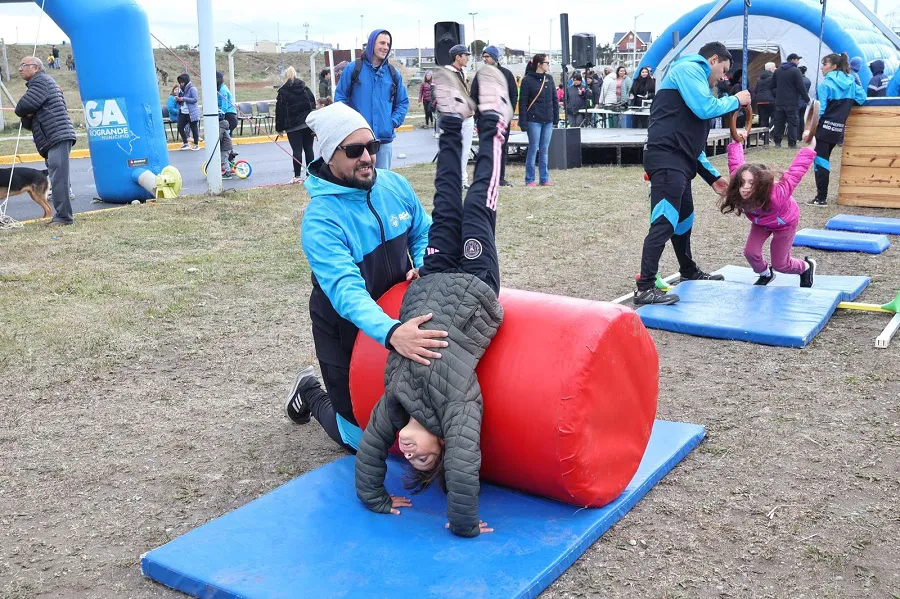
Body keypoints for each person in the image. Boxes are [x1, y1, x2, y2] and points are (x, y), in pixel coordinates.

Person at [355, 64, 512, 539]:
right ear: (441, 442)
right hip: (474, 285)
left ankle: (451, 120)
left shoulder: (397, 401)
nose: (407, 448)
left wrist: (375, 497)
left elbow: (370, 449)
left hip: (432, 276)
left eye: (408, 456)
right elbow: (465, 464)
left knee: (444, 198)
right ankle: (494, 122)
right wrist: (461, 523)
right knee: (480, 198)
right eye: (423, 456)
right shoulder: (457, 407)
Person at [285, 102, 433, 452]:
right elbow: (346, 293)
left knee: (403, 411)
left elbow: (424, 232)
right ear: (330, 156)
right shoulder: (322, 220)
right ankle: (309, 390)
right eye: (354, 150)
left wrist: (425, 262)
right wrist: (392, 333)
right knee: (358, 440)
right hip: (344, 326)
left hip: (397, 314)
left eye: (372, 147)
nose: (367, 157)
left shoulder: (395, 186)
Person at [635, 42, 751, 305]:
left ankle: (688, 271)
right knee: (665, 220)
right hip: (666, 158)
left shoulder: (698, 84)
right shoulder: (689, 69)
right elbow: (705, 108)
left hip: (679, 159)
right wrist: (736, 100)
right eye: (723, 69)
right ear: (712, 59)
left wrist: (713, 178)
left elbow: (691, 143)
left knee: (684, 219)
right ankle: (644, 287)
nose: (723, 77)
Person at [723, 131, 817, 288]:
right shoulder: (738, 188)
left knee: (781, 264)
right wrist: (736, 141)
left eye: (751, 183)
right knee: (750, 253)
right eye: (742, 182)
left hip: (785, 223)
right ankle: (766, 274)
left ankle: (806, 267)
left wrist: (810, 146)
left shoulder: (777, 194)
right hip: (761, 223)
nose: (745, 188)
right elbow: (735, 162)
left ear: (760, 185)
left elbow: (796, 171)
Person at [335, 29, 409, 170]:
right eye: (382, 42)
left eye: (388, 44)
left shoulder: (394, 74)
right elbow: (340, 98)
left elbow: (402, 102)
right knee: (358, 182)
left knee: (381, 183)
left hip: (383, 139)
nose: (385, 47)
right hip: (358, 140)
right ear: (371, 44)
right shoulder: (353, 69)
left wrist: (391, 122)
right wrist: (349, 124)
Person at [14, 57, 77, 226]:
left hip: (57, 135)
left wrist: (26, 112)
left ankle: (64, 217)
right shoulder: (40, 84)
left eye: (23, 66)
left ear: (35, 68)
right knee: (57, 176)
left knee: (59, 178)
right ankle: (62, 215)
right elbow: (26, 120)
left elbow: (21, 107)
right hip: (52, 137)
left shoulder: (41, 81)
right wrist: (27, 114)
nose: (20, 69)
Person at [808, 52, 866, 207]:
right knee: (823, 161)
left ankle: (821, 198)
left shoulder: (825, 84)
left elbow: (820, 110)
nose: (821, 67)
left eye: (824, 64)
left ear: (833, 66)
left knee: (821, 162)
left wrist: (810, 130)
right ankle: (820, 197)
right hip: (837, 129)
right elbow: (862, 98)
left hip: (823, 129)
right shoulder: (851, 82)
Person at [472, 45, 518, 186]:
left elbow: (513, 95)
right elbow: (473, 95)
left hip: (502, 118)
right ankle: (486, 177)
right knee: (486, 149)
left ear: (495, 58)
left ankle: (500, 177)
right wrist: (477, 116)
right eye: (483, 57)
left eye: (487, 56)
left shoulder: (507, 74)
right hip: (485, 118)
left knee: (502, 148)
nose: (484, 59)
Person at [518, 54, 558, 187]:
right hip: (533, 119)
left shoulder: (550, 79)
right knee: (533, 148)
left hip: (548, 119)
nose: (548, 65)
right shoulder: (527, 80)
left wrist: (555, 118)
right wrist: (523, 121)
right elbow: (522, 102)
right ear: (539, 64)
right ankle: (530, 179)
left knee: (544, 149)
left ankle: (544, 178)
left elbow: (554, 100)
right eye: (546, 62)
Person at [275, 66, 317, 184]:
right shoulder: (305, 88)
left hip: (292, 126)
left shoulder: (283, 91)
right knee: (309, 149)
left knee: (297, 150)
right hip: (307, 124)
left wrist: (279, 128)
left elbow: (280, 111)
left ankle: (297, 176)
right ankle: (311, 175)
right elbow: (312, 105)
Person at [444, 44, 474, 188]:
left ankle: (462, 180)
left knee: (466, 150)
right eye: (465, 55)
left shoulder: (463, 73)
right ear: (458, 57)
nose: (468, 58)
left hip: (467, 116)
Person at [771, 53, 810, 149]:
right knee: (792, 123)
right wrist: (807, 100)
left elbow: (772, 86)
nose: (798, 61)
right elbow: (801, 87)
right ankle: (792, 144)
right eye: (797, 59)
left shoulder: (778, 71)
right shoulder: (796, 71)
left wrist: (778, 95)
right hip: (792, 102)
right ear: (792, 60)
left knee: (779, 122)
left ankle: (777, 143)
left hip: (779, 102)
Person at [175, 73, 200, 150]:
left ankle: (196, 144)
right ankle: (185, 143)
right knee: (180, 126)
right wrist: (178, 99)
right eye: (180, 82)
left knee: (194, 128)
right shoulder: (180, 89)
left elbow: (195, 99)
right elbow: (180, 100)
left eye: (182, 82)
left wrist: (183, 99)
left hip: (191, 112)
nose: (181, 84)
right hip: (183, 112)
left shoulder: (192, 89)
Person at [755, 62, 776, 144]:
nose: (775, 69)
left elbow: (756, 90)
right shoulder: (773, 77)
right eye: (774, 68)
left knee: (763, 119)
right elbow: (774, 89)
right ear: (771, 69)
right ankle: (770, 134)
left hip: (760, 101)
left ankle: (762, 135)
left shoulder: (759, 78)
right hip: (770, 100)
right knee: (775, 118)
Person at [216, 71, 238, 135]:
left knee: (225, 138)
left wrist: (220, 114)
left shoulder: (223, 90)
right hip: (227, 115)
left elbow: (224, 106)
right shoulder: (219, 89)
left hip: (229, 116)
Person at [218, 115, 236, 180]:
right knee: (229, 158)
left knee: (223, 159)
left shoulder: (221, 126)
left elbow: (219, 136)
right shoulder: (224, 124)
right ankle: (231, 168)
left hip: (225, 146)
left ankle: (228, 173)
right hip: (229, 145)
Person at [797, 65, 812, 132]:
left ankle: (797, 135)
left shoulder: (798, 80)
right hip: (804, 101)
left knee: (796, 118)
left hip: (797, 101)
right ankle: (801, 133)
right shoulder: (808, 80)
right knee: (802, 118)